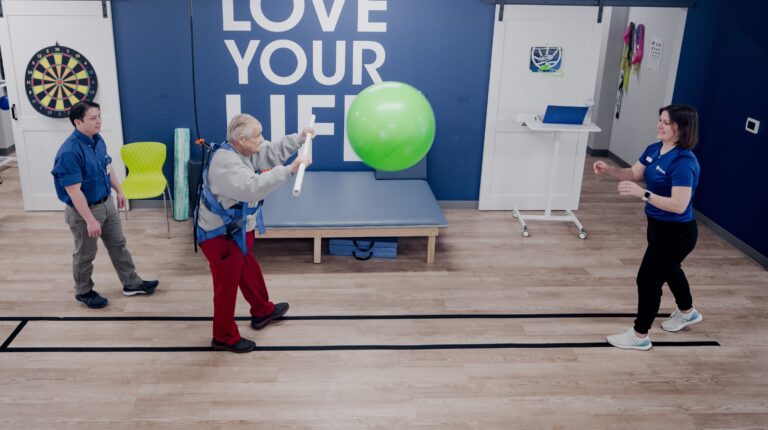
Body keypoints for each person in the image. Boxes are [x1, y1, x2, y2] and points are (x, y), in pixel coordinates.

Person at [195, 113, 313, 353]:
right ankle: (223, 336)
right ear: (241, 139)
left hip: (236, 228)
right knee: (226, 286)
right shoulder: (225, 163)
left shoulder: (242, 149)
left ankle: (261, 311)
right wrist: (289, 170)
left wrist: (299, 138)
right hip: (220, 236)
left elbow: (271, 151)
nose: (262, 139)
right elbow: (252, 189)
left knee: (248, 268)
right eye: (257, 135)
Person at [594, 104, 702, 351]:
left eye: (666, 122)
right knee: (671, 268)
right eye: (660, 120)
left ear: (682, 128)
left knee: (648, 279)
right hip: (657, 227)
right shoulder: (655, 149)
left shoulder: (684, 163)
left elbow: (679, 205)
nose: (659, 125)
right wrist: (609, 169)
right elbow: (633, 173)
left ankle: (639, 335)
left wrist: (643, 194)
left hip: (677, 232)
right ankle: (687, 312)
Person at [51, 101, 159, 309]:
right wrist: (90, 220)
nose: (98, 121)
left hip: (106, 203)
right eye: (93, 118)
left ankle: (131, 283)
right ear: (77, 122)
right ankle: (83, 291)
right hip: (85, 212)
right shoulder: (69, 152)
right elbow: (74, 192)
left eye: (99, 116)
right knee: (85, 254)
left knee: (119, 244)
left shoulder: (97, 140)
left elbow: (107, 167)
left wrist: (119, 190)